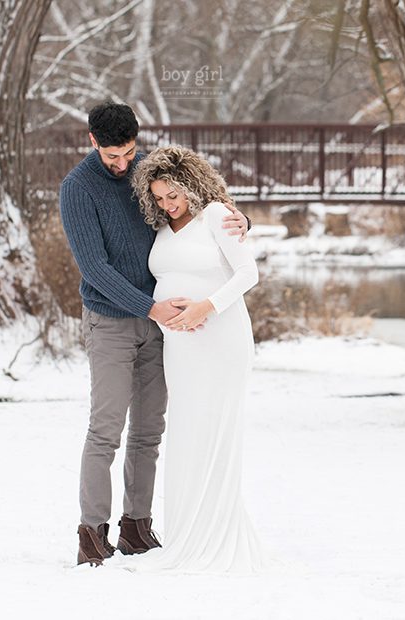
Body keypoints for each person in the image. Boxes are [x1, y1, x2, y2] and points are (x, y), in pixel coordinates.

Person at [58, 102, 250, 567]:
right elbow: (94, 268)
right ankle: (92, 532)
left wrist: (242, 223)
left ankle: (136, 527)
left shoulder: (148, 172)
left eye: (128, 153)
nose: (122, 165)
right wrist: (149, 306)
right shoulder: (78, 189)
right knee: (106, 428)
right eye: (112, 157)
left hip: (161, 325)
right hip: (111, 322)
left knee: (149, 430)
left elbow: (194, 215)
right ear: (92, 143)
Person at [123, 145, 266, 574]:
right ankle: (186, 535)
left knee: (215, 434)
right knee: (185, 434)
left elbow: (248, 272)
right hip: (180, 348)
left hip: (220, 339)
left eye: (174, 196)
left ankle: (215, 537)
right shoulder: (162, 230)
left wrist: (207, 306)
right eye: (160, 198)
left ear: (192, 185)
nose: (168, 204)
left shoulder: (218, 216)